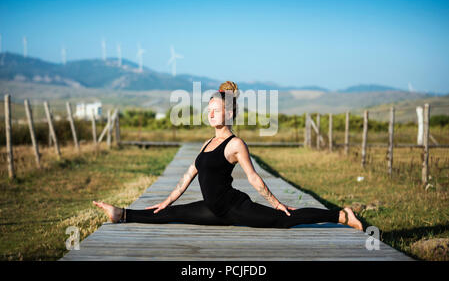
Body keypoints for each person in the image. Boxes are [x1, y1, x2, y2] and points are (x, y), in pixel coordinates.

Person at [93, 81, 363, 231]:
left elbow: (254, 178)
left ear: (230, 113)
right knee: (168, 213)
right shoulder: (207, 142)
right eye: (208, 108)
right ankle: (121, 214)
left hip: (235, 207)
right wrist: (166, 199)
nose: (210, 112)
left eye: (217, 108)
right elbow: (188, 175)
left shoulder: (236, 144)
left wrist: (276, 201)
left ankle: (341, 215)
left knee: (284, 220)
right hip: (212, 210)